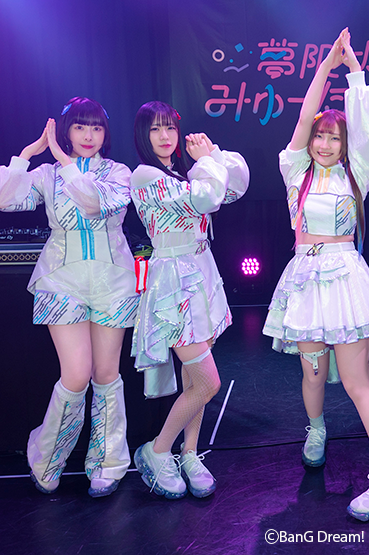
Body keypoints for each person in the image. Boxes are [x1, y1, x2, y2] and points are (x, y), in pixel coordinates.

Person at [262, 28, 369, 522]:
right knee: (312, 373)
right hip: (305, 279)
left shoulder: (356, 172)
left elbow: (365, 128)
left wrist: (354, 71)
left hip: (345, 277)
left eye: (334, 137)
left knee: (356, 382)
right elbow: (304, 115)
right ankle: (317, 428)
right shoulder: (294, 170)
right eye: (320, 136)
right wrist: (324, 66)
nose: (325, 143)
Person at [0, 98, 138, 498]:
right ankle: (46, 458)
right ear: (66, 130)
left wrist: (63, 161)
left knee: (107, 374)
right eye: (80, 127)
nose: (89, 135)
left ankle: (107, 463)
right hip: (60, 279)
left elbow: (94, 204)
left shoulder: (118, 173)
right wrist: (28, 155)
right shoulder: (46, 173)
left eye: (97, 128)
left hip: (112, 279)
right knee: (76, 374)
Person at [128, 101, 249, 500]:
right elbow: (206, 198)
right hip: (173, 279)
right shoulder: (145, 175)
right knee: (209, 382)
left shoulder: (183, 174)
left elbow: (235, 186)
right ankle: (157, 450)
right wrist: (207, 163)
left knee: (194, 379)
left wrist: (213, 154)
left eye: (170, 128)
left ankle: (190, 453)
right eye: (155, 129)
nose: (165, 136)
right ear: (143, 136)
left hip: (201, 271)